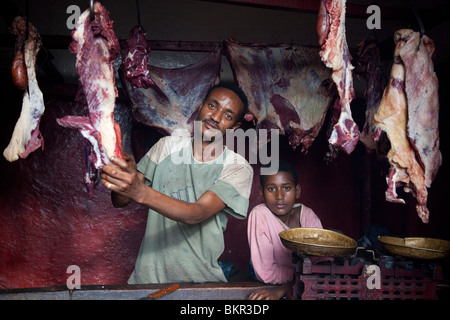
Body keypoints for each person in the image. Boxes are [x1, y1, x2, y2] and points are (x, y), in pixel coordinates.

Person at [101, 83, 253, 283]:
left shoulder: (238, 168)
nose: (215, 117)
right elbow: (120, 201)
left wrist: (140, 191)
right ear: (201, 106)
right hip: (147, 282)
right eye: (212, 106)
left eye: (227, 115)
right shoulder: (167, 146)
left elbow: (197, 213)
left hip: (201, 286)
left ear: (234, 127)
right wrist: (123, 177)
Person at [247, 161, 324, 300]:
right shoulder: (260, 214)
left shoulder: (307, 216)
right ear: (261, 193)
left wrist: (286, 287)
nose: (279, 196)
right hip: (274, 284)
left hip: (296, 285)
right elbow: (266, 274)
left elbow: (323, 264)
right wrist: (304, 276)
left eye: (286, 188)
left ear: (297, 191)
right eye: (271, 189)